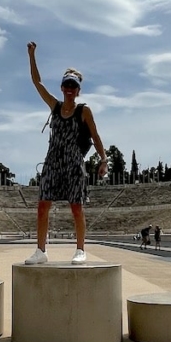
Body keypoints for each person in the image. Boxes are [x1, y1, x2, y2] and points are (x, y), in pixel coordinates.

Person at [24, 43, 107, 265]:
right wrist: (32, 56)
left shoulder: (84, 111)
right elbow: (37, 82)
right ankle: (41, 251)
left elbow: (96, 136)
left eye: (74, 86)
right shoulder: (54, 106)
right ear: (62, 87)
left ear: (78, 90)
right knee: (43, 205)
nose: (70, 88)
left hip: (73, 163)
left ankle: (80, 250)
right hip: (52, 162)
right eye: (66, 85)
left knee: (76, 206)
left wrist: (104, 159)